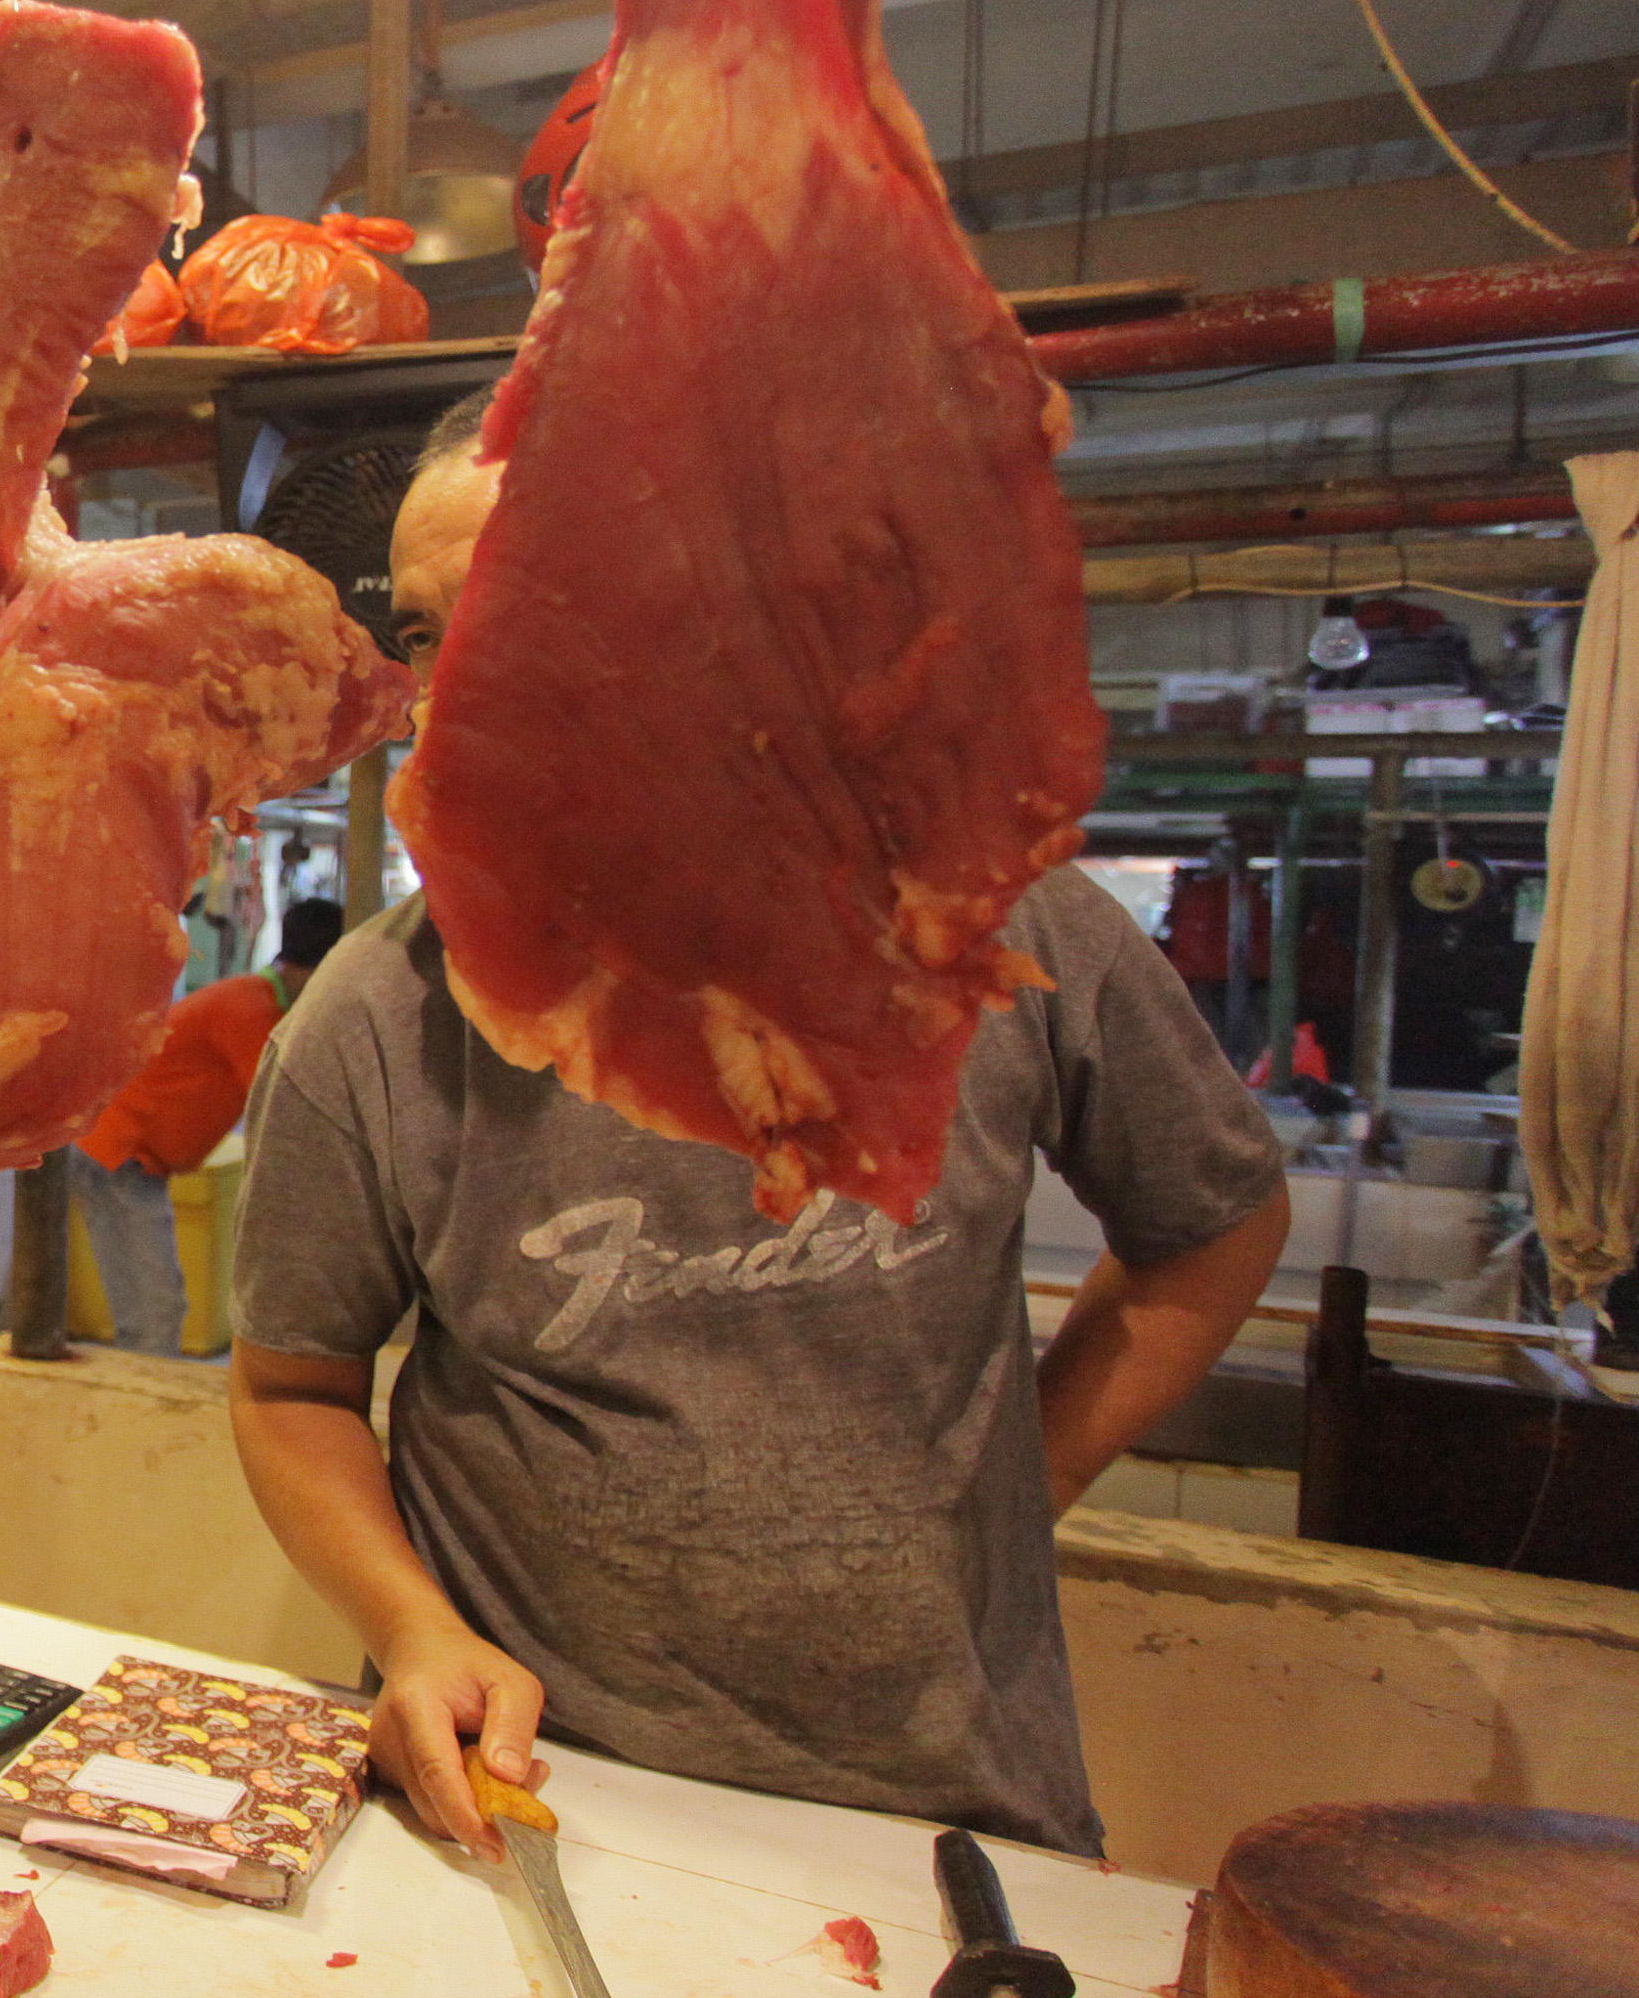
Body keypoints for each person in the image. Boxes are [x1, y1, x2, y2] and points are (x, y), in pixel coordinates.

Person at [227, 387, 1291, 1862]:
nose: (453, 687)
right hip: (536, 1802)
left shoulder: (996, 925)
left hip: (949, 1809)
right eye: (422, 632)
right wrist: (411, 1627)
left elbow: (1213, 1224)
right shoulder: (379, 1009)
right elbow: (292, 1387)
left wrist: (1023, 1473)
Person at [74, 897, 347, 1356]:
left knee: (150, 1310)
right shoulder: (251, 1009)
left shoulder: (262, 1004)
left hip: (126, 1154)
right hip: (119, 1153)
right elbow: (286, 1112)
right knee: (154, 1313)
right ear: (322, 969)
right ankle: (140, 1421)